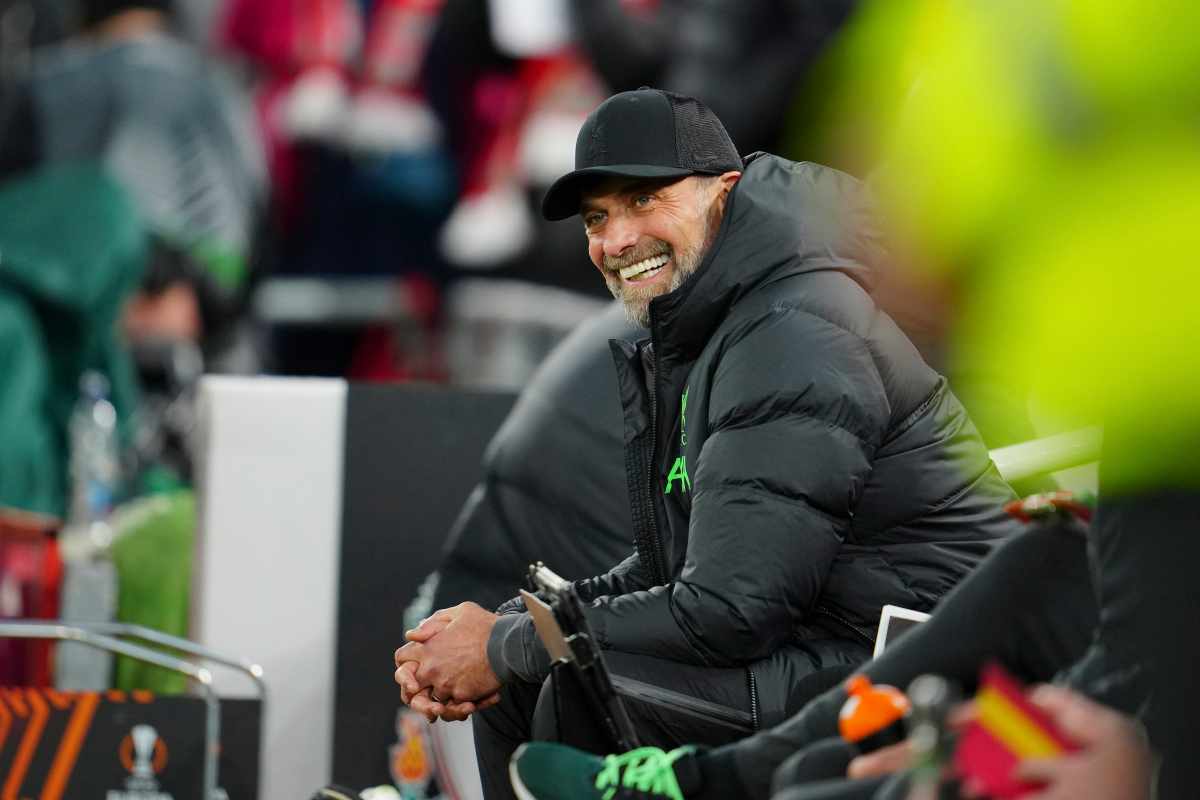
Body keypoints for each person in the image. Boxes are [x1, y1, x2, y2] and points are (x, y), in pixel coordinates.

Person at [393, 88, 1019, 799]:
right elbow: (682, 563)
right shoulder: (718, 320)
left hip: (932, 672)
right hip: (829, 644)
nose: (616, 240)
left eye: (644, 200)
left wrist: (508, 646)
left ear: (724, 190)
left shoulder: (792, 329)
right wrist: (506, 629)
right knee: (534, 673)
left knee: (573, 685)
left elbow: (732, 609)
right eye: (598, 218)